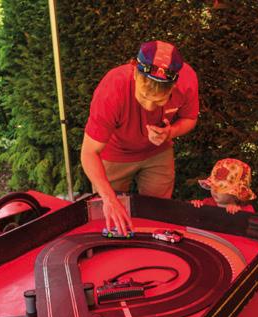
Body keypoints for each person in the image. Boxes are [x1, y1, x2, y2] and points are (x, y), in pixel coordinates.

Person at [81, 40, 199, 236]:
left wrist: (170, 132)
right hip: (115, 154)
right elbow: (89, 152)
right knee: (111, 217)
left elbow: (190, 119)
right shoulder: (112, 88)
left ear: (174, 85)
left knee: (159, 214)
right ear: (135, 72)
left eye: (159, 101)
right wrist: (109, 199)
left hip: (158, 152)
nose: (149, 107)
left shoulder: (187, 80)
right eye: (144, 96)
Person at [191, 158, 256, 213]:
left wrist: (239, 213)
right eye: (213, 185)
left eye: (220, 188)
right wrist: (195, 206)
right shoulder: (207, 203)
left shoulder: (246, 209)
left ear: (236, 194)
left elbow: (248, 220)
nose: (214, 190)